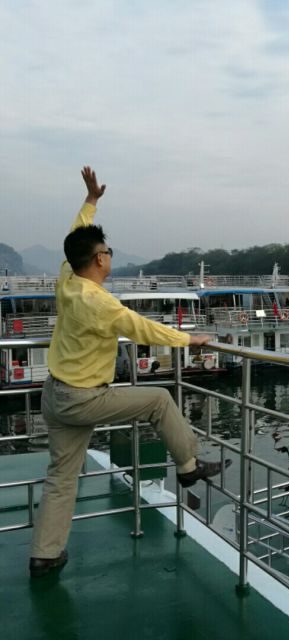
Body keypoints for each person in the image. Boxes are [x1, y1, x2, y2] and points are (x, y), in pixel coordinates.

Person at [29, 167, 228, 578]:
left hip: (55, 395)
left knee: (61, 477)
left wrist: (91, 201)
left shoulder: (67, 279)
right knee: (159, 399)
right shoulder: (99, 302)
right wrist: (189, 339)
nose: (109, 255)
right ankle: (188, 466)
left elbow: (76, 234)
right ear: (99, 259)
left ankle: (45, 555)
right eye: (108, 251)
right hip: (84, 398)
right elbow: (142, 329)